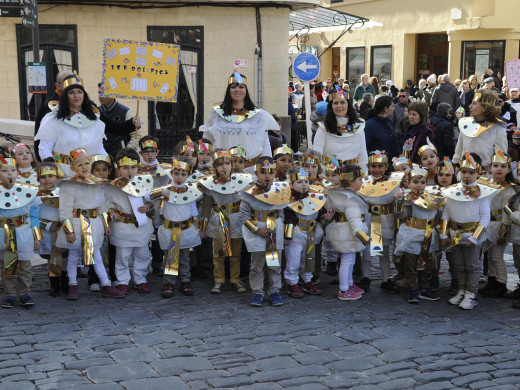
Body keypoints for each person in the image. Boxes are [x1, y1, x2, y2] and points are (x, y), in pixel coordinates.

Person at [56, 148, 123, 300]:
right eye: (79, 165)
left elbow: (102, 205)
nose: (84, 167)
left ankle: (106, 285)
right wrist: (69, 230)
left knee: (96, 255)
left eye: (86, 163)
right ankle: (72, 284)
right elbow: (65, 210)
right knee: (73, 255)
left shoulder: (96, 183)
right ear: (72, 168)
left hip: (93, 224)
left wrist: (106, 224)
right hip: (76, 224)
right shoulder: (68, 185)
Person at [440, 153, 498, 310]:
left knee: (472, 265)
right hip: (455, 234)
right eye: (464, 172)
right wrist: (444, 233)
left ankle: (471, 293)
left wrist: (475, 237)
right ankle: (462, 290)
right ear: (459, 172)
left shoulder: (482, 194)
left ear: (478, 173)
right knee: (458, 265)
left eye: (471, 172)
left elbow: (485, 217)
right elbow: (446, 212)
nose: (467, 176)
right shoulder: (451, 191)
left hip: (472, 235)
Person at [198, 149, 252, 294]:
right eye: (220, 164)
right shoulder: (211, 184)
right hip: (219, 220)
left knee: (236, 254)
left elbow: (248, 204)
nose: (224, 167)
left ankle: (235, 279)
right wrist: (202, 228)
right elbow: (206, 207)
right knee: (219, 255)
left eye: (227, 163)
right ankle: (219, 280)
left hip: (236, 221)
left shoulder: (241, 181)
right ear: (215, 167)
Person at [147, 157, 202, 298]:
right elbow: (148, 196)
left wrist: (199, 227)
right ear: (172, 174)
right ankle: (169, 282)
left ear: (188, 176)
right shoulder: (166, 189)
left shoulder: (190, 191)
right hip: (170, 229)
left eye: (183, 174)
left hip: (185, 229)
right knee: (170, 258)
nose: (179, 177)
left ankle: (185, 280)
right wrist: (161, 192)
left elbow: (193, 209)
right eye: (176, 174)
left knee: (184, 257)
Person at [238, 157, 290, 307]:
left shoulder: (279, 191)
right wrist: (256, 229)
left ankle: (274, 291)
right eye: (263, 172)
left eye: (270, 172)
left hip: (273, 231)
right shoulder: (249, 192)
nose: (267, 176)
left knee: (274, 265)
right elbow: (243, 216)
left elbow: (281, 214)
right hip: (258, 232)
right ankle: (257, 291)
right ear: (256, 172)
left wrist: (281, 230)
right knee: (257, 265)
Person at [105, 148, 154, 295]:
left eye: (133, 167)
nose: (130, 171)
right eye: (125, 168)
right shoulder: (113, 187)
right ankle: (122, 281)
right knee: (122, 256)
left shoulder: (144, 183)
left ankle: (140, 279)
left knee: (142, 254)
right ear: (118, 168)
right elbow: (108, 204)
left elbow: (151, 201)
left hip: (140, 227)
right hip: (123, 228)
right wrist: (113, 214)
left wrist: (148, 207)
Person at [200, 73, 279, 164]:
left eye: (241, 87)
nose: (237, 90)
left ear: (246, 90)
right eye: (233, 87)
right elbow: (208, 138)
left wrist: (267, 162)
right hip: (222, 166)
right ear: (228, 90)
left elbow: (264, 140)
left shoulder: (259, 115)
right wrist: (205, 162)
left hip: (250, 166)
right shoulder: (216, 113)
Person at [394, 165, 445, 304]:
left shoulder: (433, 198)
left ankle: (424, 288)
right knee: (411, 264)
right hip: (412, 234)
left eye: (422, 182)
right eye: (415, 182)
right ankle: (412, 289)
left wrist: (440, 232)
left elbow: (438, 216)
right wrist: (399, 202)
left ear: (426, 184)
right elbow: (400, 215)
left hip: (428, 235)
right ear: (409, 183)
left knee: (426, 264)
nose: (418, 185)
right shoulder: (408, 198)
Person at [358, 151, 404, 294]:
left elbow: (397, 204)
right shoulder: (363, 182)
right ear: (368, 167)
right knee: (367, 252)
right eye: (373, 166)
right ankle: (365, 277)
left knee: (383, 252)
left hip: (385, 220)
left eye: (380, 166)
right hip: (369, 220)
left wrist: (398, 199)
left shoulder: (392, 183)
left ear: (386, 167)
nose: (376, 169)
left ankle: (385, 279)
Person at [0, 156, 41, 309]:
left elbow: (35, 215)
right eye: (4, 170)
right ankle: (9, 294)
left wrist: (36, 236)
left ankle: (25, 292)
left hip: (22, 233)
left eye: (13, 170)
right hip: (3, 234)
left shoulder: (27, 191)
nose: (9, 174)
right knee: (6, 266)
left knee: (25, 266)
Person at [283, 167, 330, 298]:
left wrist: (325, 217)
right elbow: (289, 220)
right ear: (291, 184)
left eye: (305, 181)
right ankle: (292, 282)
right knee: (294, 259)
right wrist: (287, 236)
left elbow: (319, 213)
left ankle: (307, 280)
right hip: (296, 235)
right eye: (299, 182)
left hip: (311, 233)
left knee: (309, 259)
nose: (303, 184)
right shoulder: (289, 201)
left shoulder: (314, 197)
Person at [325, 164, 369, 301]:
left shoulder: (337, 194)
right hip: (348, 234)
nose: (362, 182)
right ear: (351, 181)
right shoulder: (351, 200)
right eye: (360, 179)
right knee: (347, 260)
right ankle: (344, 289)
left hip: (341, 231)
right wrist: (363, 236)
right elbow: (354, 219)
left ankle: (349, 284)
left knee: (350, 259)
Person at [478, 151, 517, 298]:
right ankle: (492, 281)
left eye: (503, 166)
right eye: (495, 165)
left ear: (508, 169)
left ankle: (501, 283)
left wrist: (503, 233)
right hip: (488, 224)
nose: (499, 169)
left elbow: (508, 213)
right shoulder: (486, 184)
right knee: (489, 255)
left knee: (497, 255)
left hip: (501, 225)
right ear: (490, 167)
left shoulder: (510, 189)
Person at [312, 89, 368, 171]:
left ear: (348, 105)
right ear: (331, 106)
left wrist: (364, 175)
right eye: (335, 103)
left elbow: (363, 155)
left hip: (353, 178)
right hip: (330, 176)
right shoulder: (323, 128)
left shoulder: (358, 127)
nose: (339, 106)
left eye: (342, 102)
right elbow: (317, 155)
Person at [453, 89, 508, 168]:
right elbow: (458, 152)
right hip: (465, 173)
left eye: (474, 103)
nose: (469, 106)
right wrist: (454, 169)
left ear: (484, 108)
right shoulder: (466, 125)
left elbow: (501, 158)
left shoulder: (497, 129)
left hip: (486, 176)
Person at [37, 161, 66, 297]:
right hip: (47, 233)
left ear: (57, 178)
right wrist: (47, 225)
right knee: (51, 260)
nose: (47, 179)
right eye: (43, 177)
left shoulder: (64, 193)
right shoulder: (36, 196)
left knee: (65, 258)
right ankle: (54, 284)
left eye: (50, 176)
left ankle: (65, 282)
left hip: (63, 231)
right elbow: (32, 216)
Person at [33, 70, 74, 161]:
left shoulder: (84, 104)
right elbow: (40, 132)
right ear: (58, 85)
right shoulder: (49, 105)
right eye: (67, 82)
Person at [97, 83, 139, 156]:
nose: (100, 96)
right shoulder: (96, 112)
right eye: (99, 92)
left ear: (113, 94)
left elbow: (136, 136)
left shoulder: (126, 112)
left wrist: (126, 152)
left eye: (103, 93)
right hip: (101, 155)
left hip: (120, 156)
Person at [364, 95, 401, 161]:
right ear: (386, 109)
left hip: (393, 163)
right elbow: (365, 147)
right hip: (379, 166)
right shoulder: (370, 124)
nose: (394, 108)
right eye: (392, 106)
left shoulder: (389, 121)